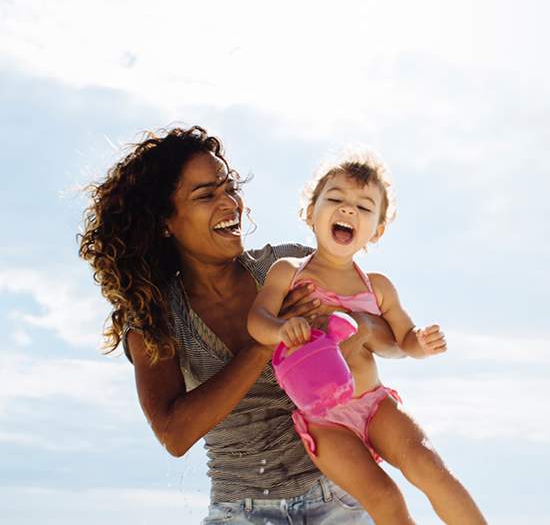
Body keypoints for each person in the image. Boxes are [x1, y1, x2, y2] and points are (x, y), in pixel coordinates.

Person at [78, 126, 401, 524]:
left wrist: (360, 327)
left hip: (338, 495)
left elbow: (382, 334)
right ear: (166, 222)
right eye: (207, 195)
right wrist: (268, 339)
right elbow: (175, 433)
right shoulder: (155, 317)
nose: (230, 203)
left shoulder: (290, 270)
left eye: (229, 188)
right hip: (242, 511)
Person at [247, 150, 487, 525]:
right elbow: (256, 320)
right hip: (324, 421)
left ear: (377, 230)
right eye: (336, 199)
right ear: (310, 212)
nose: (348, 210)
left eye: (363, 206)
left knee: (429, 466)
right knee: (384, 496)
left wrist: (420, 343)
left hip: (375, 405)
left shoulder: (377, 288)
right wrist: (280, 328)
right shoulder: (288, 273)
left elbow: (402, 339)